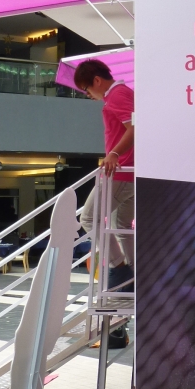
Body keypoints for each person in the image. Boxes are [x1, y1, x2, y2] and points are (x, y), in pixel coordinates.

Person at [74, 59, 134, 291]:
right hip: (129, 171)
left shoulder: (118, 95)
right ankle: (132, 275)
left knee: (89, 217)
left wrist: (115, 153)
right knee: (121, 225)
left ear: (97, 80)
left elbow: (135, 128)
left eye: (86, 89)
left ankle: (119, 270)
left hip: (120, 171)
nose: (88, 95)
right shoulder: (121, 94)